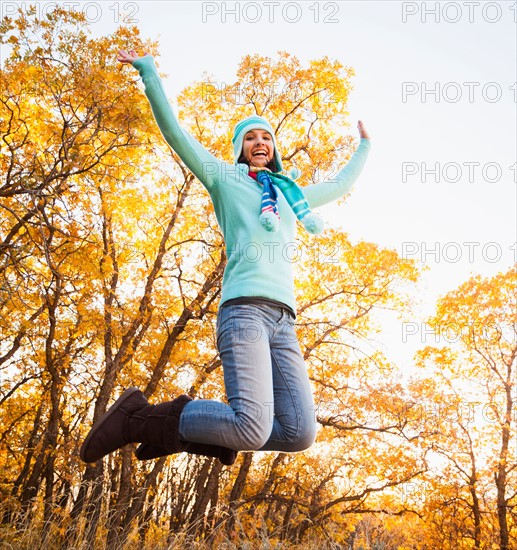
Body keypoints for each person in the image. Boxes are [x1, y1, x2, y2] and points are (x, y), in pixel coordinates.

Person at [80, 50, 371, 467]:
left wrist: (365, 146)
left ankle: (198, 433)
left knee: (299, 431)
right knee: (251, 426)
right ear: (240, 148)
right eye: (251, 137)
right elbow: (176, 133)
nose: (260, 142)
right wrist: (149, 73)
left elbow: (340, 183)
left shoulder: (291, 195)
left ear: (274, 149)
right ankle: (138, 418)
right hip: (245, 312)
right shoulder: (225, 179)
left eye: (266, 137)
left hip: (284, 320)